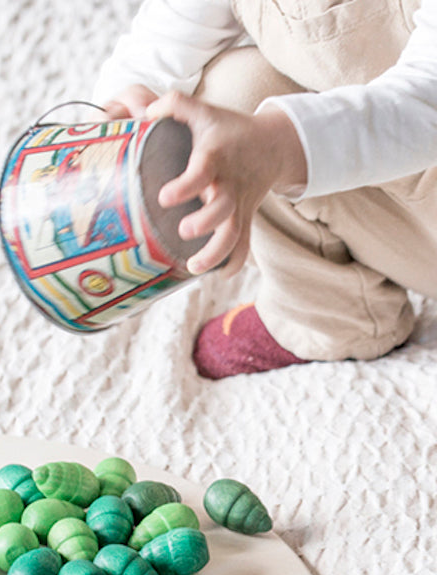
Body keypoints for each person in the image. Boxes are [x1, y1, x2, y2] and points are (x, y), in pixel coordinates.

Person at [91, 0, 437, 378]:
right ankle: (337, 313)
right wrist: (129, 99)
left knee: (246, 136)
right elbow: (167, 33)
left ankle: (330, 314)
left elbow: (427, 99)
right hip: (400, 202)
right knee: (228, 98)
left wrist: (272, 146)